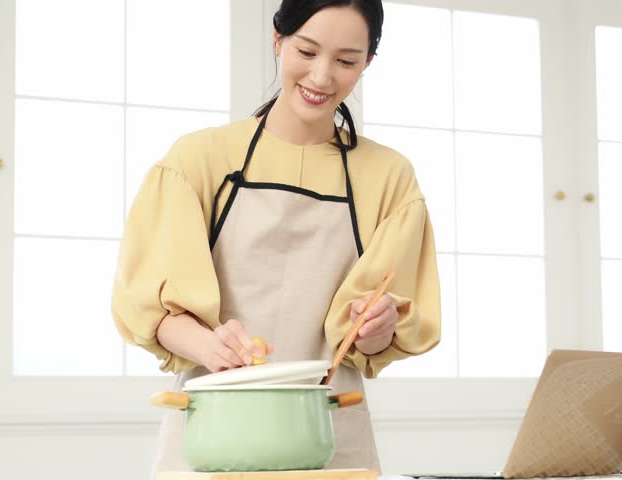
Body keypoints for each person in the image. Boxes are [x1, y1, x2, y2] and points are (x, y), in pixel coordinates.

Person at [111, 0, 441, 475]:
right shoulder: (198, 160)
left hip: (329, 429)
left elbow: (376, 341)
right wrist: (209, 346)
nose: (322, 77)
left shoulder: (389, 178)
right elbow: (149, 306)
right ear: (278, 40)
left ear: (368, 62)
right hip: (215, 427)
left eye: (346, 61)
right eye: (307, 51)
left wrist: (378, 328)